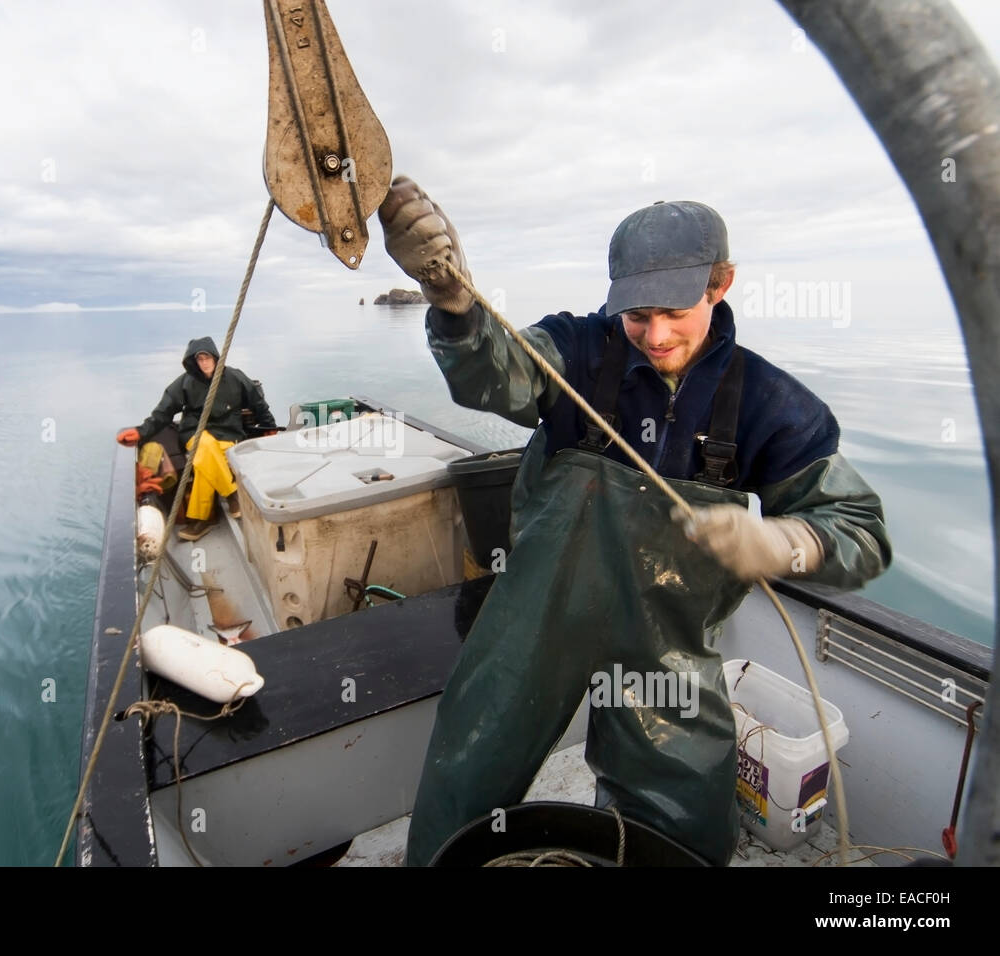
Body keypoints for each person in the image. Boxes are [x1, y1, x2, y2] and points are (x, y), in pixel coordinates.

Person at [378, 177, 893, 866]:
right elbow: (491, 377)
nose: (655, 336)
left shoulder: (770, 403)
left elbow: (860, 531)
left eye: (676, 311)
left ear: (722, 283)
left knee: (684, 812)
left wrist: (784, 541)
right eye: (636, 313)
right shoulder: (576, 350)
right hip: (538, 618)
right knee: (468, 761)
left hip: (666, 643)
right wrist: (452, 302)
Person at [117, 336, 276, 540]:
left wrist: (269, 427)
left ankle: (205, 519)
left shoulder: (235, 377)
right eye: (199, 359)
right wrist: (141, 431)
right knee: (205, 446)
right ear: (193, 362)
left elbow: (258, 404)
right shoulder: (185, 382)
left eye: (207, 358)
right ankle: (231, 494)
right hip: (194, 432)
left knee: (203, 464)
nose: (204, 363)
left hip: (228, 433)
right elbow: (163, 412)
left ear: (216, 358)